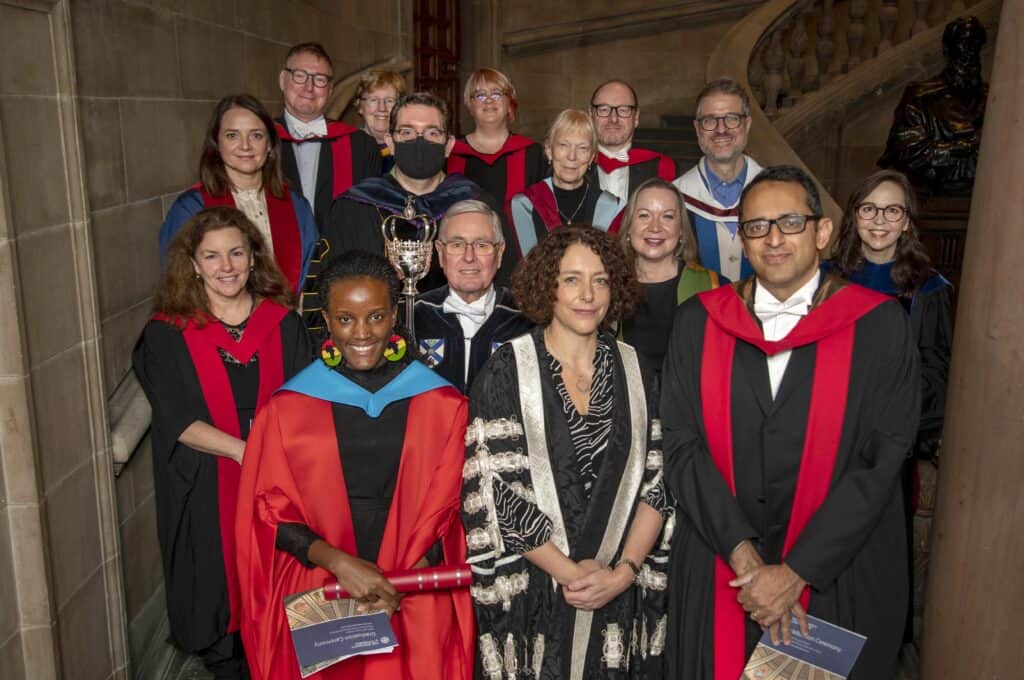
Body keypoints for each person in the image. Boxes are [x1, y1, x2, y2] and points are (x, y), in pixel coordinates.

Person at [661, 165, 920, 680]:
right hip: (722, 570)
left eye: (790, 222)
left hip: (831, 574)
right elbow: (680, 444)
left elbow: (882, 459)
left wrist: (796, 572)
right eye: (757, 226)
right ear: (742, 239)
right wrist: (746, 560)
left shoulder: (879, 325)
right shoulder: (698, 322)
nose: (773, 239)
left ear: (822, 233)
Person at [236, 250, 475, 680]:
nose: (362, 333)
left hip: (413, 587)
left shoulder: (442, 403)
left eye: (376, 317)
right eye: (345, 319)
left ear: (395, 315)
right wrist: (339, 564)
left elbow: (455, 507)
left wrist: (398, 584)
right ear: (326, 320)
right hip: (323, 582)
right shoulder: (288, 408)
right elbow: (267, 508)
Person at [464, 226, 671, 679]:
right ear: (547, 286)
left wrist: (624, 572)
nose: (588, 294)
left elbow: (658, 484)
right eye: (571, 279)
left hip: (619, 591)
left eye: (600, 280)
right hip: (538, 594)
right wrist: (574, 577)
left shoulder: (636, 370)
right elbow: (497, 494)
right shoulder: (506, 371)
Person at [134, 207, 312, 678]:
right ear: (193, 264)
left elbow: (306, 406)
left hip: (278, 481)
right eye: (211, 256)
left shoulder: (283, 324)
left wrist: (272, 455)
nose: (226, 266)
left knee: (280, 606)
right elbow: (176, 417)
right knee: (217, 609)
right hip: (205, 483)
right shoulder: (168, 333)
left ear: (253, 258)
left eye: (236, 252)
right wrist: (243, 451)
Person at [322, 92, 510, 295]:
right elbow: (328, 291)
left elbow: (506, 286)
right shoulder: (353, 209)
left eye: (432, 133)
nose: (419, 143)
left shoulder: (478, 206)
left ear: (448, 145)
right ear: (390, 142)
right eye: (407, 133)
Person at [832, 169, 952, 458]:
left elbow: (935, 374)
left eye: (893, 210)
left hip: (892, 434)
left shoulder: (930, 289)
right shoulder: (825, 280)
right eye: (869, 208)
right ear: (854, 216)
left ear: (907, 221)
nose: (880, 219)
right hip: (828, 428)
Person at [159, 95, 318, 297]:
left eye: (256, 135)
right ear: (216, 143)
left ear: (269, 145)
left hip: (287, 320)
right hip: (214, 323)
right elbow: (179, 281)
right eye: (232, 135)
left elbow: (311, 276)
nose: (245, 146)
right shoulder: (191, 207)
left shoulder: (297, 206)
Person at [413, 200, 533, 393]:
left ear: (500, 252)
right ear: (440, 252)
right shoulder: (413, 314)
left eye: (482, 245)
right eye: (457, 244)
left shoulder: (526, 319)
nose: (469, 257)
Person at [618, 178, 722, 372]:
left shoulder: (715, 287)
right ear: (628, 228)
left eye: (667, 216)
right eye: (644, 215)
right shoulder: (607, 286)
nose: (655, 227)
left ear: (681, 229)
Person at [878, 17, 987, 195]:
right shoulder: (921, 97)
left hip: (987, 197)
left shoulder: (993, 98)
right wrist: (956, 149)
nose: (969, 51)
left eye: (975, 43)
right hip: (934, 199)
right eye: (963, 43)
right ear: (947, 49)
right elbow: (904, 151)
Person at [275, 43, 382, 225]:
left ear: (330, 89)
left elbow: (370, 218)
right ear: (283, 80)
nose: (309, 87)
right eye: (300, 76)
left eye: (320, 80)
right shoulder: (261, 139)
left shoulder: (361, 146)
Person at [674, 78, 763, 281]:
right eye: (709, 120)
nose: (721, 129)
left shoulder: (776, 194)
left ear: (747, 124)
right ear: (697, 128)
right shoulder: (675, 198)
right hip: (697, 310)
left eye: (732, 118)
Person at [510, 110, 624, 258]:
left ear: (591, 157)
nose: (572, 156)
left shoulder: (611, 207)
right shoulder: (525, 205)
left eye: (582, 148)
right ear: (549, 150)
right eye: (563, 145)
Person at [445, 68, 547, 211]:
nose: (488, 100)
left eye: (497, 93)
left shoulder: (534, 154)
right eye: (480, 95)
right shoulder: (451, 153)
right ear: (470, 106)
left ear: (509, 104)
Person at [587, 79, 677, 202]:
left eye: (623, 110)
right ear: (590, 116)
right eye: (603, 109)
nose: (613, 119)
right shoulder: (570, 166)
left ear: (636, 118)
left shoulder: (661, 167)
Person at [352, 69, 408, 174]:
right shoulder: (345, 149)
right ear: (359, 106)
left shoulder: (412, 151)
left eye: (389, 100)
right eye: (373, 100)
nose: (382, 108)